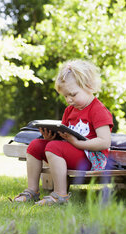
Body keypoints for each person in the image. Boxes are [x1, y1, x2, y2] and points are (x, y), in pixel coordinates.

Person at [13, 59, 113, 205]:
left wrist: (77, 143)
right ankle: (32, 190)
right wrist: (50, 138)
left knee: (54, 148)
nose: (69, 100)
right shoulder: (69, 110)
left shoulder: (98, 110)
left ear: (89, 86)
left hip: (92, 158)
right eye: (65, 96)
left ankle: (60, 195)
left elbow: (105, 141)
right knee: (35, 145)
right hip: (73, 150)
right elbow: (63, 139)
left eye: (72, 94)